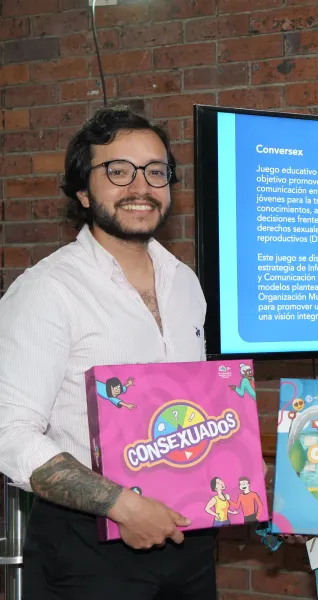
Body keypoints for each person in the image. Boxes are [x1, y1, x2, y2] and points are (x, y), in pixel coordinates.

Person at [0, 106, 216, 600]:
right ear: (83, 191)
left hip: (188, 537)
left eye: (156, 171)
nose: (141, 187)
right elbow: (9, 433)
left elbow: (196, 405)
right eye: (118, 171)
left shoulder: (185, 282)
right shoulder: (47, 290)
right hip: (87, 550)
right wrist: (122, 505)